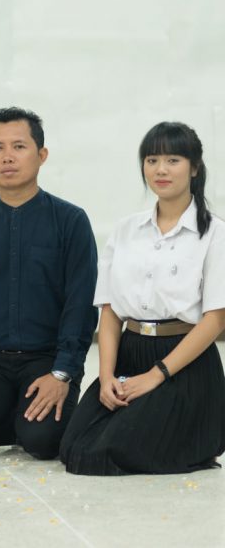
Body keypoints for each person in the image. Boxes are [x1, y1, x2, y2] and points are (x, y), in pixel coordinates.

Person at [60, 122, 225, 474]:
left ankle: (193, 438)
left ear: (195, 168)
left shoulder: (215, 233)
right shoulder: (126, 230)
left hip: (184, 363)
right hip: (130, 352)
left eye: (173, 160)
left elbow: (215, 319)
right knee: (74, 448)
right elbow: (110, 311)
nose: (161, 170)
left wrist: (156, 374)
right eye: (152, 160)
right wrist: (106, 376)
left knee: (110, 452)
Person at [0, 107, 98, 460]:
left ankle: (29, 417)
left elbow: (81, 304)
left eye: (19, 146)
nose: (7, 157)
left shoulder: (70, 221)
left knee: (43, 442)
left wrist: (62, 373)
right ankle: (14, 415)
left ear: (42, 154)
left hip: (48, 358)